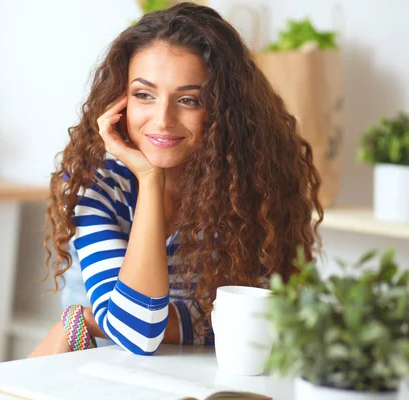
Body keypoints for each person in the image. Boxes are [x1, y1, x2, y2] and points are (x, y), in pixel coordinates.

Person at [28, 2, 323, 358]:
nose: (163, 119)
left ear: (222, 110)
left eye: (189, 100)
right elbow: (138, 333)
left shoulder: (252, 191)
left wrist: (90, 319)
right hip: (89, 376)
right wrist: (150, 179)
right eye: (144, 95)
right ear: (118, 102)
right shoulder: (96, 186)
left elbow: (263, 323)